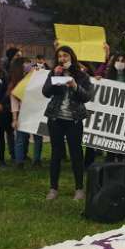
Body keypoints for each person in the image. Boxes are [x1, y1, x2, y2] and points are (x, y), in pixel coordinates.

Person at [42, 46, 93, 201]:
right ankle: (53, 189)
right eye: (60, 56)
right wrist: (55, 77)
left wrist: (75, 86)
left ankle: (79, 189)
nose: (62, 59)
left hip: (74, 120)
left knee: (76, 154)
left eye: (65, 55)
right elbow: (45, 92)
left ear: (72, 57)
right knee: (56, 153)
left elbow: (87, 97)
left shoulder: (82, 75)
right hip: (56, 119)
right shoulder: (54, 72)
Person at [101, 53, 125, 179]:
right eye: (118, 60)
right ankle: (109, 174)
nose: (120, 62)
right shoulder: (109, 75)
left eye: (123, 61)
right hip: (112, 117)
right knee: (111, 147)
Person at [11, 58, 44, 168]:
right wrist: (15, 119)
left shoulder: (38, 78)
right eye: (25, 64)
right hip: (22, 114)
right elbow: (14, 102)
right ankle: (19, 162)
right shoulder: (17, 83)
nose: (28, 66)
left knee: (38, 138)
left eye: (29, 64)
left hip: (37, 113)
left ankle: (37, 160)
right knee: (21, 139)